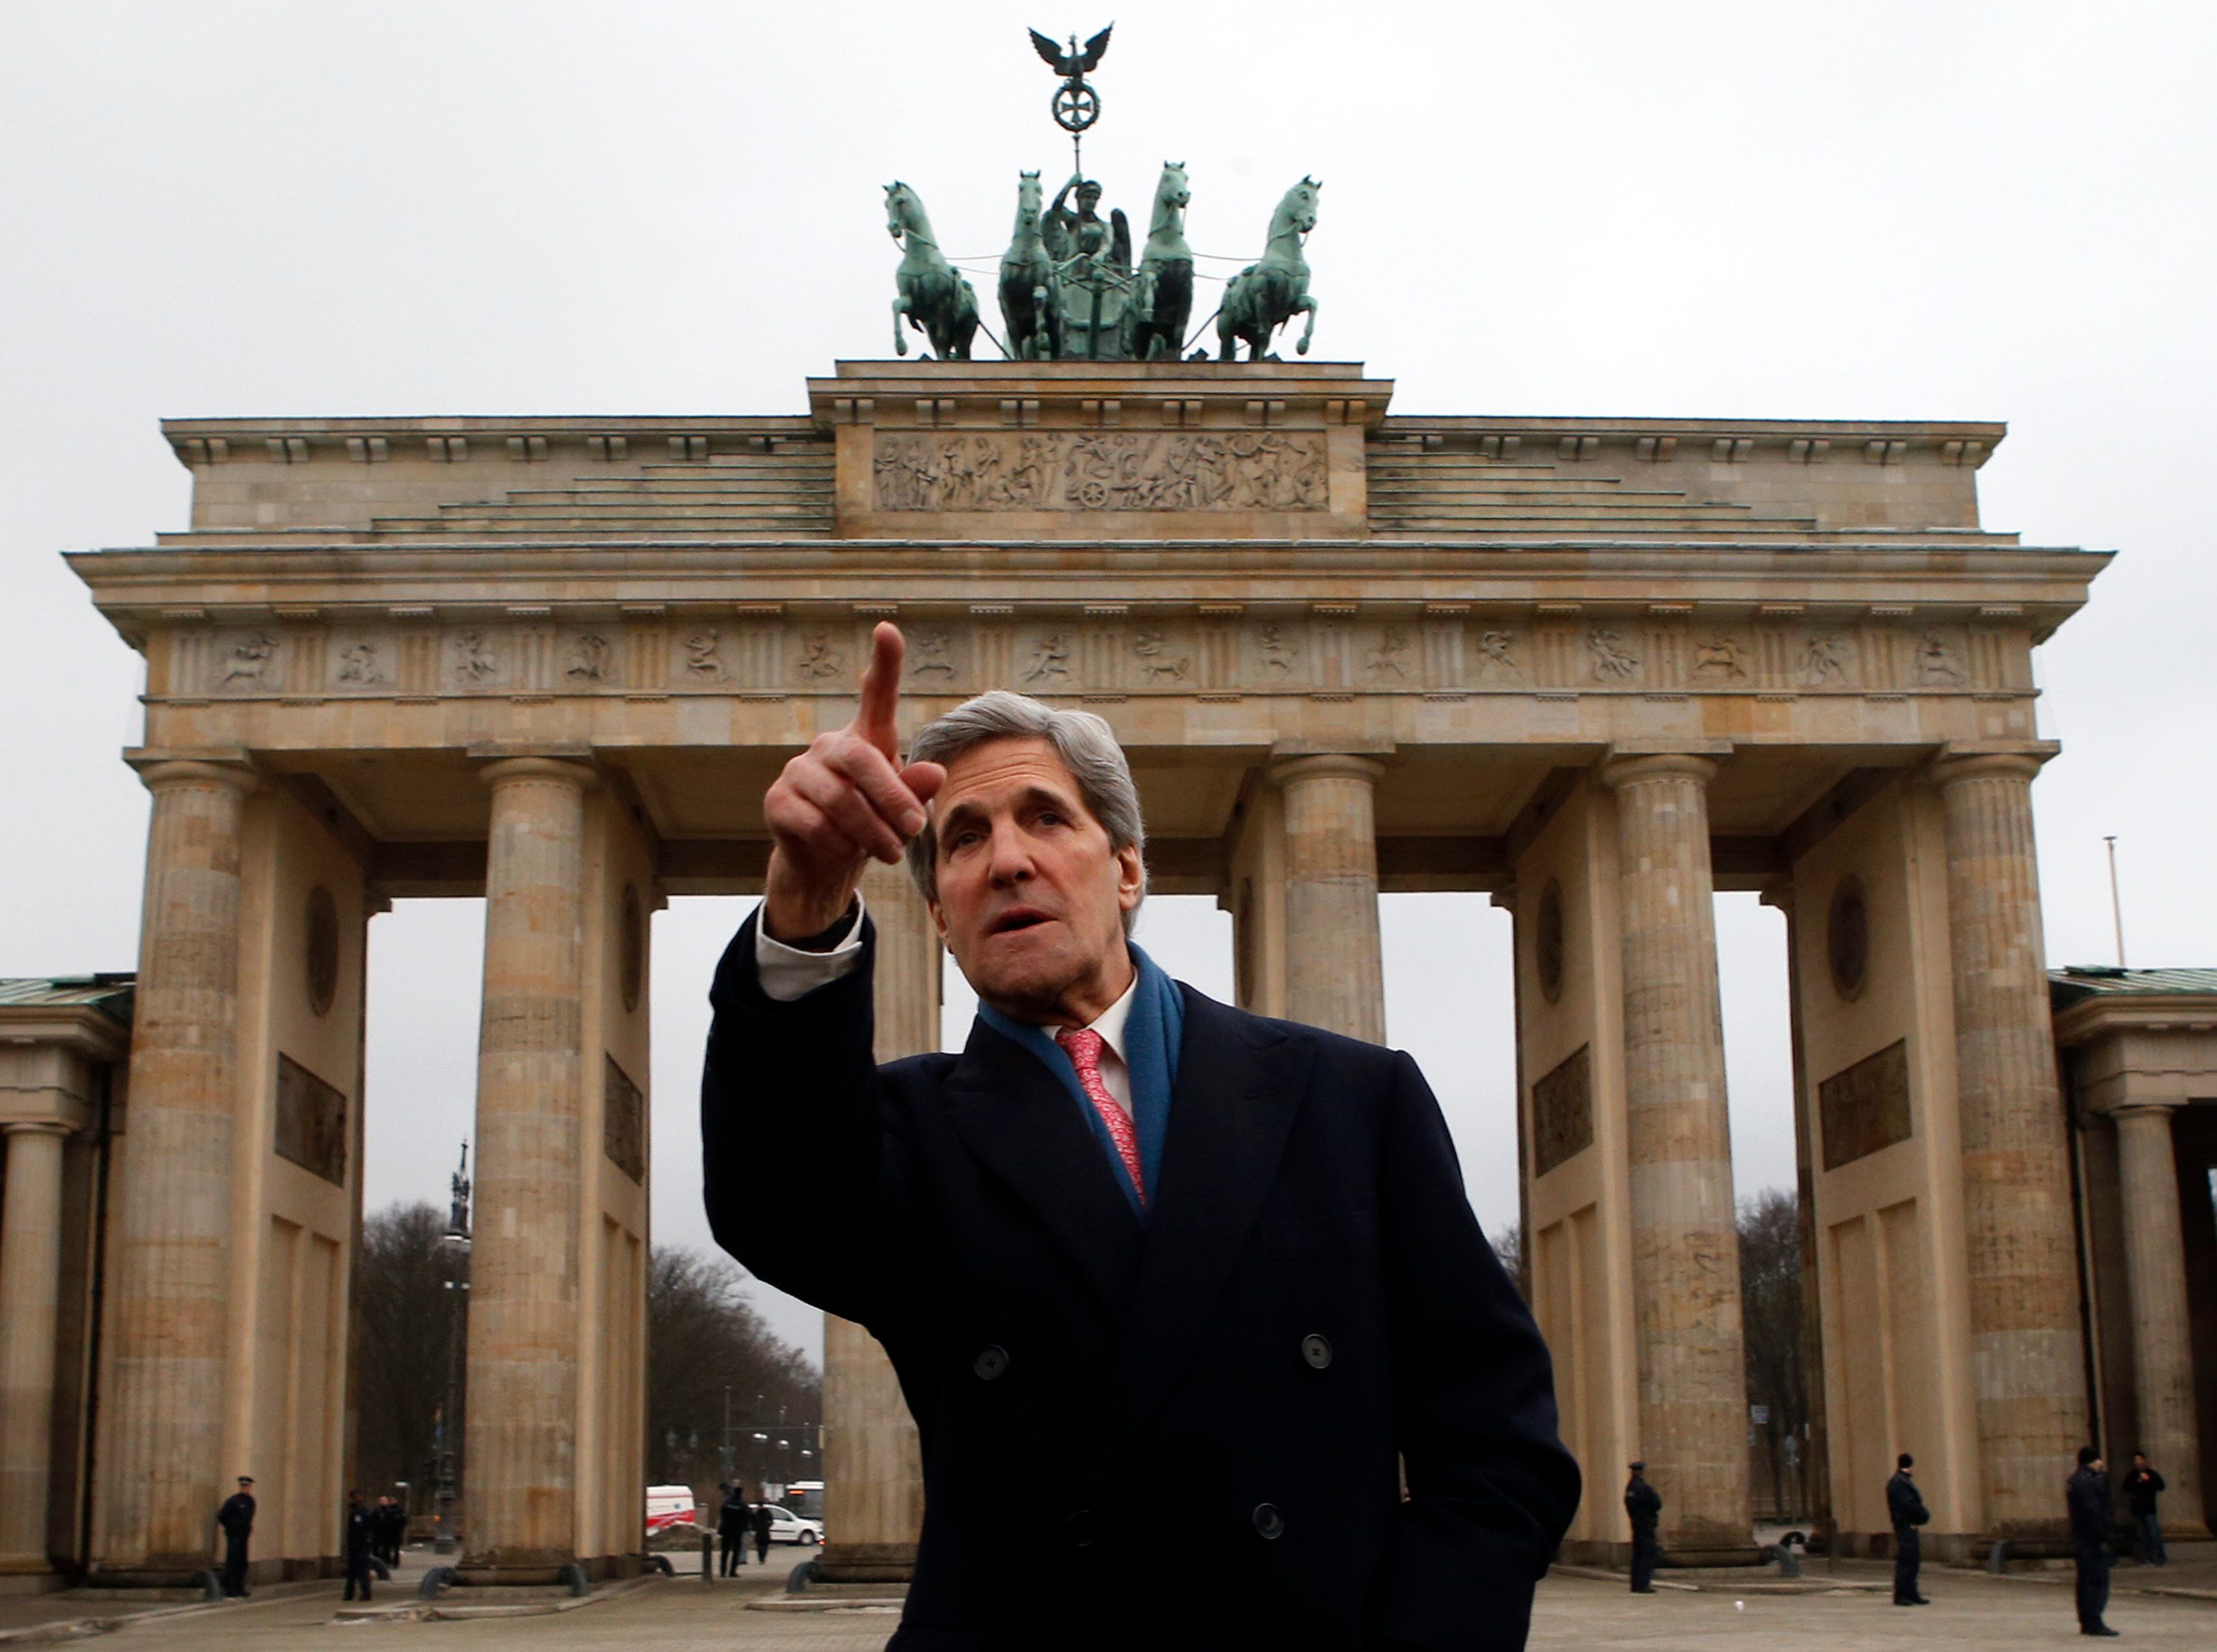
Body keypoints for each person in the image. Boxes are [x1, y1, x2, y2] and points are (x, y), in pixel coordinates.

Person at [703, 626, 1581, 1649]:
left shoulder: (1350, 1099)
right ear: (939, 913)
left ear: (1124, 868)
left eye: (1044, 817)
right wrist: (805, 907)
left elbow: (1497, 1441)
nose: (1008, 859)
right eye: (966, 837)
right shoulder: (905, 1133)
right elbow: (776, 1205)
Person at [2068, 1446, 2117, 1637]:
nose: (2101, 1464)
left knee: (2085, 1580)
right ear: (2091, 1461)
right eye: (2098, 1460)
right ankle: (2094, 1620)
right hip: (2092, 1539)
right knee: (2097, 1580)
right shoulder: (2087, 1482)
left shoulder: (2075, 1480)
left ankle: (2087, 1620)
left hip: (2082, 1538)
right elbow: (2094, 1511)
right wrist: (2103, 1536)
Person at [1886, 1452, 1931, 1605]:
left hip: (1907, 1525)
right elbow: (1908, 1504)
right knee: (1907, 1560)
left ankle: (1911, 1592)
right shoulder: (1900, 1482)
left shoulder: (1899, 1481)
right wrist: (1923, 1514)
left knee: (1913, 1560)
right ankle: (1902, 1594)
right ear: (1910, 1466)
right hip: (1905, 1525)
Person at [216, 1476, 255, 1599]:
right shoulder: (233, 1501)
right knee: (233, 1561)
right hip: (234, 1536)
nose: (245, 1488)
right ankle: (231, 1589)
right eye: (243, 1486)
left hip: (243, 1536)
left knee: (242, 1562)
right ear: (241, 1487)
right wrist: (231, 1526)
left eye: (247, 1486)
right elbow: (222, 1516)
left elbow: (249, 1518)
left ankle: (240, 1587)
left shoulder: (250, 1501)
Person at [1624, 1463, 1661, 1594]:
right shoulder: (1643, 1487)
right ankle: (1643, 1584)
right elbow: (1657, 1503)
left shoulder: (1630, 1487)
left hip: (1637, 1524)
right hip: (1646, 1524)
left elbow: (1629, 1505)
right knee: (1649, 1553)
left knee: (1638, 1554)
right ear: (1640, 1472)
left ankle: (1636, 1584)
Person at [2124, 1452, 2166, 1565]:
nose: (2138, 1462)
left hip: (2149, 1508)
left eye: (2140, 1459)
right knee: (2142, 1535)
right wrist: (2137, 1482)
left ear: (2144, 1460)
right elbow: (2126, 1487)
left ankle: (2159, 1557)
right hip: (2138, 1509)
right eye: (2136, 1460)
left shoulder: (2151, 1474)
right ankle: (2147, 1558)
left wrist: (2149, 1480)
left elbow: (2161, 1486)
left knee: (2154, 1533)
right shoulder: (2133, 1475)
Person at [343, 1490, 374, 1603]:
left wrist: (356, 1544)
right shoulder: (360, 1511)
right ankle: (348, 1594)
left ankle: (365, 1593)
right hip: (358, 1545)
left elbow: (358, 1529)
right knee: (352, 1571)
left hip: (359, 1546)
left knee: (361, 1571)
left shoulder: (359, 1513)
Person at [719, 1483, 751, 1575]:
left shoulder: (727, 1502)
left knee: (725, 1552)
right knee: (736, 1552)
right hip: (737, 1531)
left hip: (726, 1529)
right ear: (741, 1493)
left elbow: (722, 1513)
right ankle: (732, 1571)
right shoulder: (742, 1504)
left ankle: (723, 1571)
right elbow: (747, 1516)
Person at [751, 1497, 773, 1569]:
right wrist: (768, 1525)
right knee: (764, 1546)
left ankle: (761, 1558)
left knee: (760, 1546)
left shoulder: (757, 1513)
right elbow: (771, 1521)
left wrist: (755, 1528)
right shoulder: (767, 1512)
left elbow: (753, 1522)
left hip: (759, 1532)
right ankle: (762, 1558)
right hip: (765, 1531)